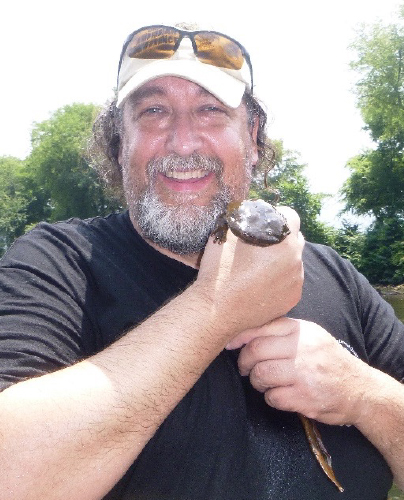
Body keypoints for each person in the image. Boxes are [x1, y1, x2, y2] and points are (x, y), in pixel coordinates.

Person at [0, 22, 404, 500]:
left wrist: (362, 394)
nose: (184, 142)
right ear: (118, 140)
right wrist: (218, 307)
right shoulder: (56, 265)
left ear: (252, 136)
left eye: (211, 111)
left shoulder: (338, 276)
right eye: (153, 112)